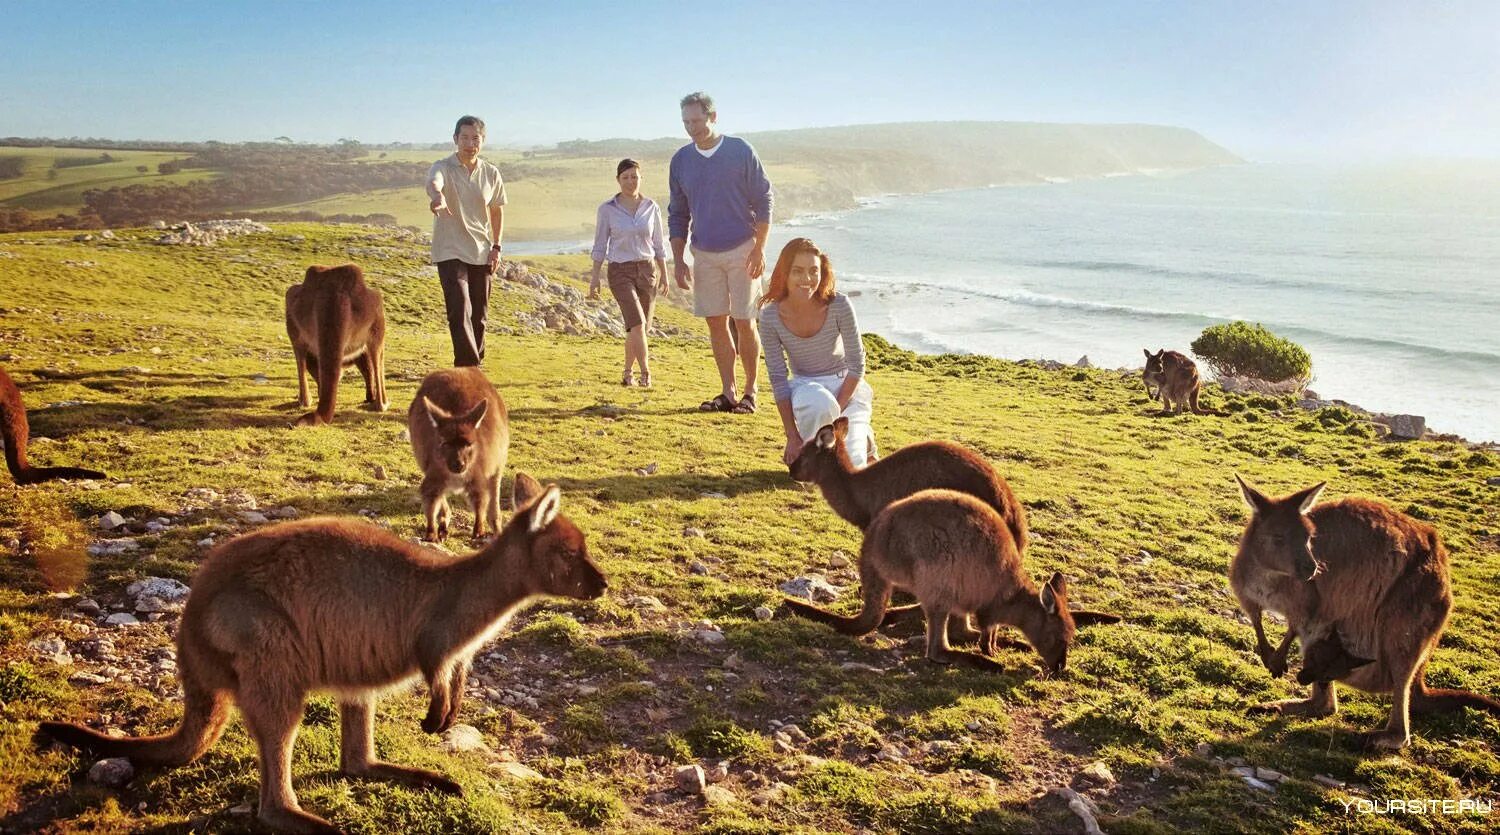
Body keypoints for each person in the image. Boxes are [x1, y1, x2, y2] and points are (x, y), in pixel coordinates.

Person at [668, 91, 774, 414]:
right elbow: (677, 213)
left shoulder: (740, 151)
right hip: (704, 253)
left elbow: (764, 199)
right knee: (716, 323)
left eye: (696, 120)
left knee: (744, 321)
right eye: (686, 121)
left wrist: (759, 248)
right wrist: (679, 259)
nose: (691, 128)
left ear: (713, 117)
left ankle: (750, 392)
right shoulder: (681, 161)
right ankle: (727, 392)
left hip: (743, 249)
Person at [759, 238, 877, 468]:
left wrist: (838, 413)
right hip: (806, 389)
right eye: (798, 271)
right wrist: (792, 437)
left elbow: (856, 365)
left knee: (853, 469)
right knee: (819, 404)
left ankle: (862, 437)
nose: (807, 279)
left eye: (814, 271)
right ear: (785, 274)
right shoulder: (770, 316)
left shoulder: (839, 305)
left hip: (847, 389)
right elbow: (778, 378)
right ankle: (830, 443)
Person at [425, 115, 506, 367]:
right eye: (464, 138)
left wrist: (497, 247)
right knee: (459, 310)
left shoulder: (491, 173)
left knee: (479, 316)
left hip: (481, 251)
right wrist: (438, 196)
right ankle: (468, 367)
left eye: (475, 138)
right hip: (449, 250)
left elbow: (496, 211)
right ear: (455, 139)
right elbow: (433, 182)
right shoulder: (443, 167)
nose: (470, 143)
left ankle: (475, 363)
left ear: (482, 141)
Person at [590, 159, 668, 387]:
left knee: (640, 328)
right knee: (637, 324)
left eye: (634, 176)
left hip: (647, 270)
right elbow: (599, 245)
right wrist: (595, 277)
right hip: (619, 272)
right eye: (625, 177)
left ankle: (627, 372)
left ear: (641, 178)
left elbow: (659, 244)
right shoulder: (607, 210)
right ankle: (646, 374)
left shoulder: (651, 207)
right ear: (618, 180)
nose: (630, 181)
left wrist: (664, 273)